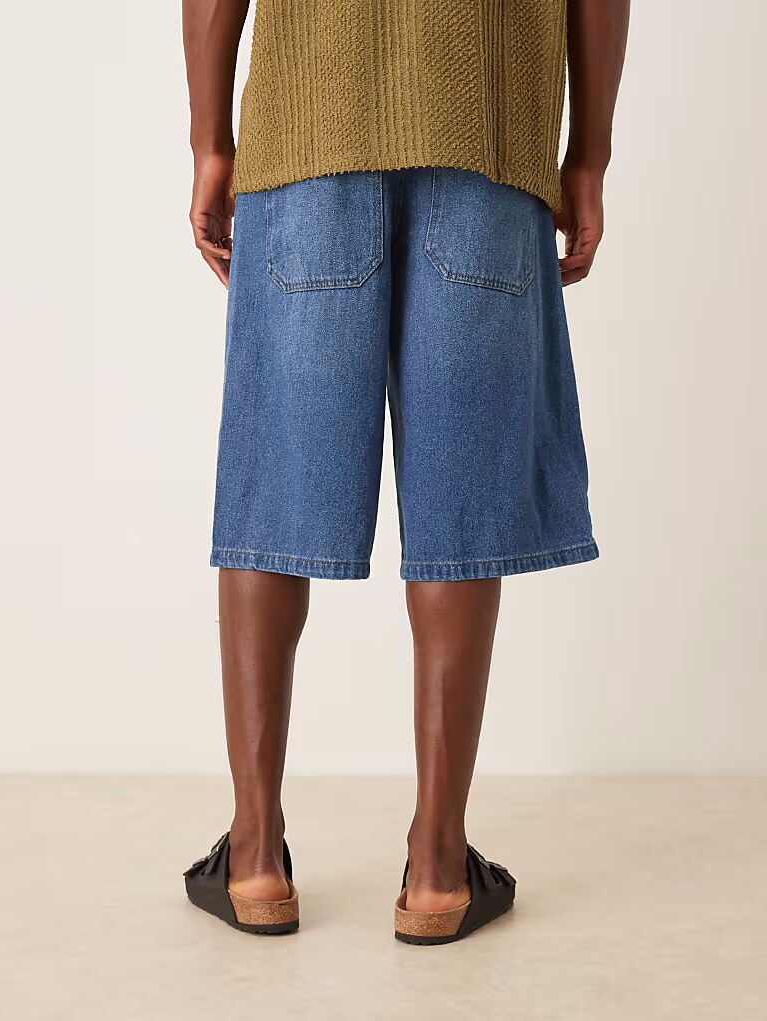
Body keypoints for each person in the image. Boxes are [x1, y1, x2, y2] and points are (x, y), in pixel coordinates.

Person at [181, 0, 629, 945]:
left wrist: (210, 139)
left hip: (307, 134)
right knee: (459, 498)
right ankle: (437, 870)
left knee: (275, 484)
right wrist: (587, 155)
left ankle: (255, 857)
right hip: (487, 138)